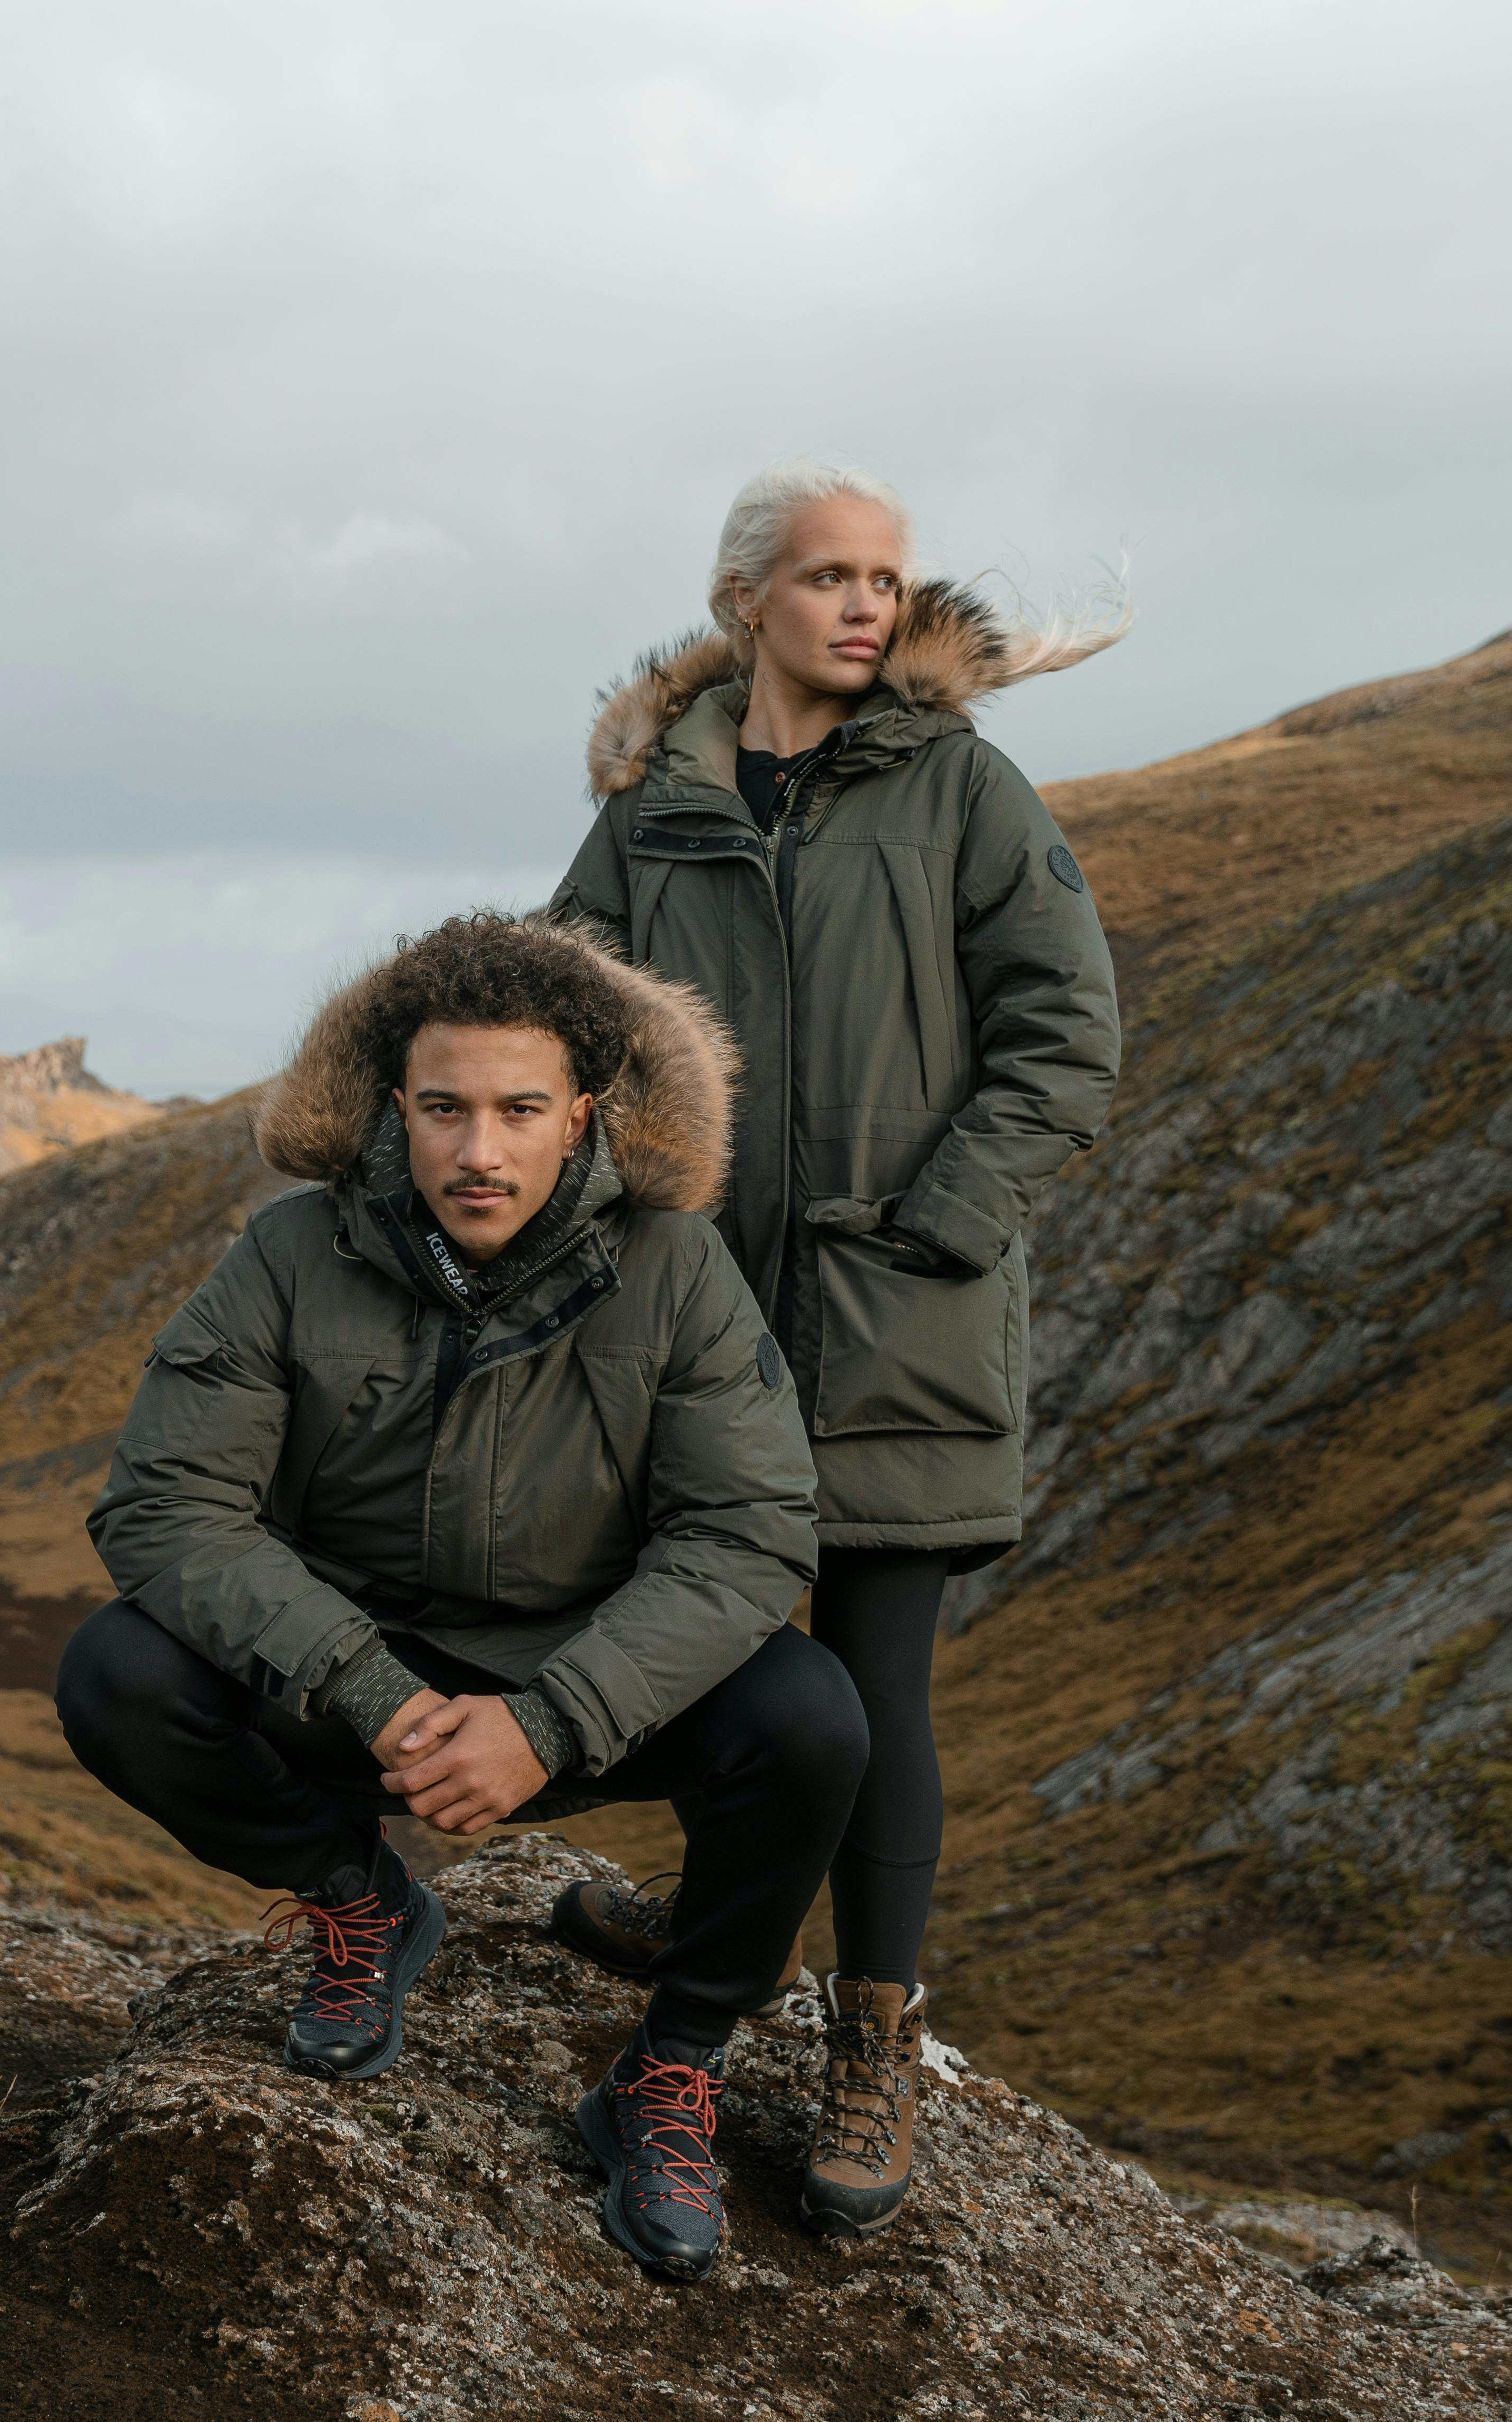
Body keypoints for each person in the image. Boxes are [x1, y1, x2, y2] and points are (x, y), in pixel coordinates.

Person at [56, 911, 866, 2282]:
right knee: (116, 1675)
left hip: (591, 1689)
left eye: (518, 1110)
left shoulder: (675, 1272)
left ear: (584, 1116)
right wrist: (375, 1691)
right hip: (361, 1689)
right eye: (443, 1109)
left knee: (814, 1719)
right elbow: (166, 1508)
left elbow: (746, 1534)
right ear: (395, 1109)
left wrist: (549, 1720)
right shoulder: (290, 1257)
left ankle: (667, 2071)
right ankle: (360, 1901)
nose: (478, 1151)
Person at [541, 462, 1124, 2242]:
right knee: (706, 1646)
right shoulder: (654, 806)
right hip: (698, 1323)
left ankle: (873, 2036)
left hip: (900, 1314)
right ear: (746, 605)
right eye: (830, 578)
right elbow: (566, 1020)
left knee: (877, 1690)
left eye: (888, 577)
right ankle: (729, 1908)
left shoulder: (959, 788)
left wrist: (947, 1218)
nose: (869, 604)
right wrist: (609, 1235)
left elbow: (1068, 1029)